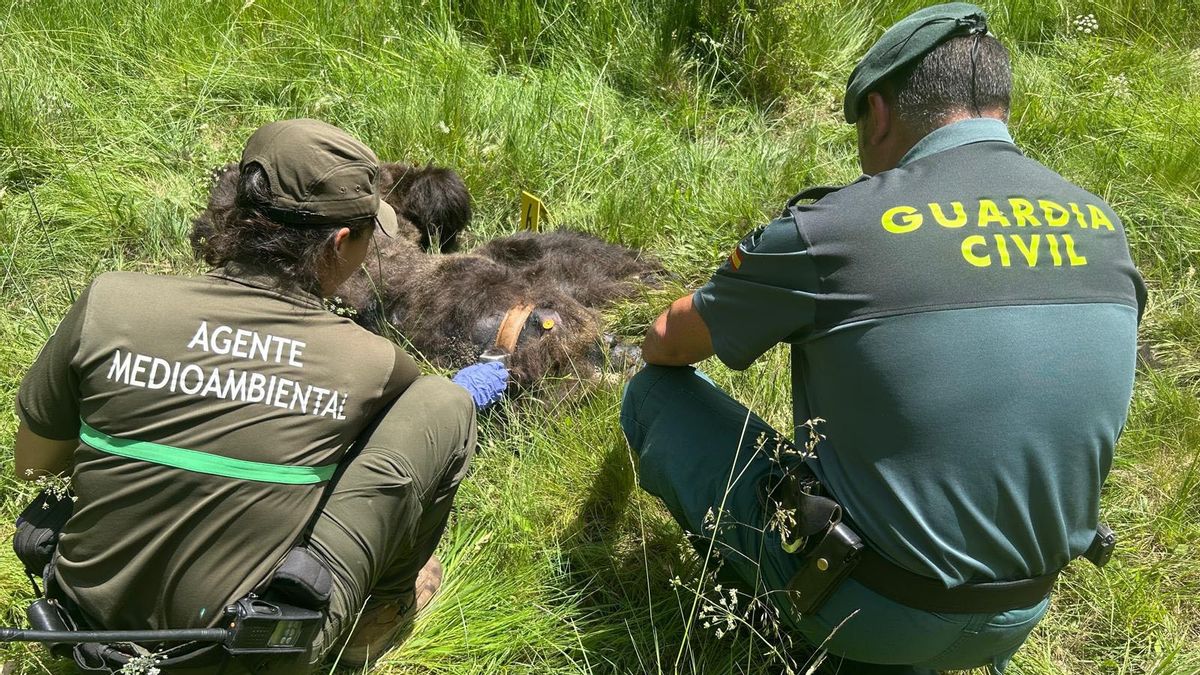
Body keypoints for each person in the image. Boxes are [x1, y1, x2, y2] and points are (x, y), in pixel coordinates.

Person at [620, 4, 1146, 673]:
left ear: (879, 112)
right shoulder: (1104, 225)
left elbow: (666, 341)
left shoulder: (837, 227)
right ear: (998, 106)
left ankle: (782, 624)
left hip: (867, 610)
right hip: (1024, 607)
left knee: (651, 398)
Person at [12, 118, 508, 672]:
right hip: (246, 657)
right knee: (442, 404)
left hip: (79, 628)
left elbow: (32, 466)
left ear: (233, 208)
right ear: (340, 242)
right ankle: (378, 616)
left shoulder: (111, 301)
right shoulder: (371, 362)